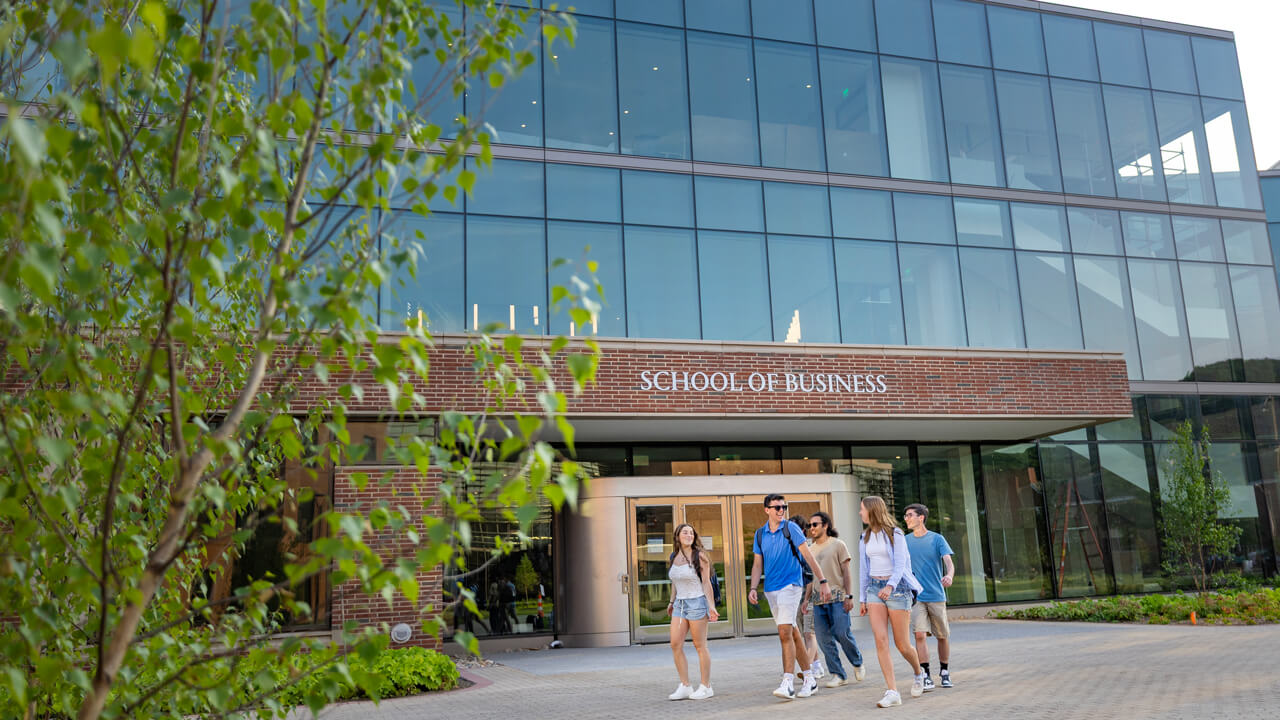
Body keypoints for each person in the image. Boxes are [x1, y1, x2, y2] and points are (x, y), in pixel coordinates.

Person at [748, 494, 832, 701]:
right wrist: (753, 587)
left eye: (783, 507)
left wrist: (823, 581)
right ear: (766, 510)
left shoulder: (791, 528)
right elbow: (758, 564)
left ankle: (787, 682)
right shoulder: (760, 535)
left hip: (791, 586)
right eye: (776, 507)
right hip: (771, 589)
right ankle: (810, 679)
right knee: (793, 632)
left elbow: (808, 556)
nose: (781, 510)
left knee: (784, 633)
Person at [858, 496, 926, 708]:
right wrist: (862, 597)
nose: (860, 514)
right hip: (874, 589)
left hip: (897, 590)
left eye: (862, 510)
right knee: (880, 641)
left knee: (902, 644)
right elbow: (863, 569)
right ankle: (892, 691)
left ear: (872, 510)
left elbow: (901, 564)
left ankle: (918, 672)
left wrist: (891, 586)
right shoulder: (865, 536)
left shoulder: (895, 534)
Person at [806, 510, 866, 688]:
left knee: (842, 632)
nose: (812, 528)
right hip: (818, 600)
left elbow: (846, 571)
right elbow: (811, 578)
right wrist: (806, 599)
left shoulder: (838, 544)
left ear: (825, 525)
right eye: (810, 525)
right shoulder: (809, 549)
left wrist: (849, 595)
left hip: (839, 597)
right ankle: (838, 674)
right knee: (824, 639)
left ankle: (857, 662)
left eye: (815, 524)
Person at [904, 503, 956, 691]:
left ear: (921, 517)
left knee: (942, 636)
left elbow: (948, 562)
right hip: (916, 597)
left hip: (936, 594)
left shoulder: (937, 539)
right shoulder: (905, 541)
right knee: (919, 634)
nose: (907, 518)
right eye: (906, 516)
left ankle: (944, 671)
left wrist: (949, 575)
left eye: (910, 515)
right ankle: (925, 673)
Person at [665, 523, 719, 701]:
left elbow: (706, 582)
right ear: (678, 537)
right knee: (675, 644)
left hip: (697, 602)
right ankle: (685, 686)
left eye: (691, 533)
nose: (688, 535)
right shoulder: (674, 556)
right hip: (680, 604)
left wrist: (711, 606)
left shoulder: (700, 556)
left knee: (700, 646)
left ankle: (706, 686)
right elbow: (675, 581)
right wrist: (671, 601)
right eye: (685, 532)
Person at [791, 513, 824, 683]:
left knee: (809, 633)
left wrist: (807, 598)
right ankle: (817, 664)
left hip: (810, 593)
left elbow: (813, 575)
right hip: (795, 593)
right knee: (803, 633)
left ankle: (808, 667)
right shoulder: (789, 549)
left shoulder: (809, 549)